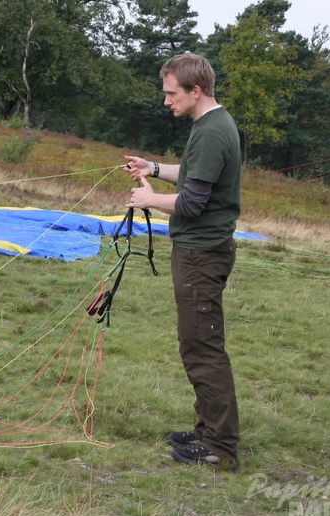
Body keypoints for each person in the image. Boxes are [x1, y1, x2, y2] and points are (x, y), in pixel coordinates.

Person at [123, 53, 242, 471]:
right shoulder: (209, 125)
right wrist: (153, 169)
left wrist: (148, 199)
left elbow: (192, 202)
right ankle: (208, 428)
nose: (166, 101)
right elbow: (193, 175)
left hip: (201, 256)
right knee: (196, 342)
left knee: (202, 346)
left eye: (171, 94)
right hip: (198, 251)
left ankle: (220, 446)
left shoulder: (212, 132)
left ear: (195, 91)